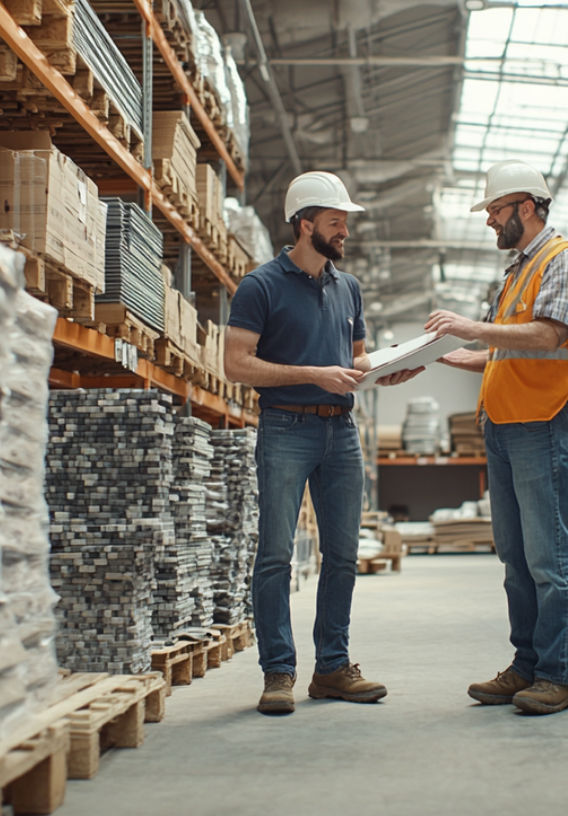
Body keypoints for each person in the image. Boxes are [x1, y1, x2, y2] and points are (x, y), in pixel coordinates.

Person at [224, 171, 405, 716]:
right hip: (285, 429)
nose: (344, 231)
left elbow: (355, 363)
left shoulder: (348, 287)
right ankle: (278, 671)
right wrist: (313, 374)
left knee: (344, 555)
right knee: (276, 555)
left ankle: (332, 667)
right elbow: (235, 364)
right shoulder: (261, 285)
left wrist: (390, 370)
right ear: (305, 225)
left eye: (345, 222)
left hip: (341, 432)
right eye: (335, 221)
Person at [424, 160, 568, 715]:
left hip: (545, 421)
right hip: (505, 426)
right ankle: (528, 665)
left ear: (527, 207)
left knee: (548, 556)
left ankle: (562, 675)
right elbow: (511, 348)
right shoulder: (518, 270)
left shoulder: (564, 260)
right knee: (517, 558)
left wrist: (471, 327)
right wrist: (461, 357)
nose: (490, 222)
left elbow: (548, 336)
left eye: (496, 211)